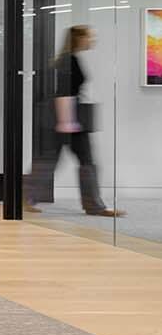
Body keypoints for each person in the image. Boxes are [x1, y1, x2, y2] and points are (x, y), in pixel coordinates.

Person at [28, 25, 122, 217]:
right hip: (66, 120)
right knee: (71, 161)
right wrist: (66, 122)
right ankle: (94, 206)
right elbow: (64, 92)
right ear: (79, 38)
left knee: (56, 161)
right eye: (90, 36)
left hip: (67, 119)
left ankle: (25, 197)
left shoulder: (68, 59)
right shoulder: (68, 61)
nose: (92, 40)